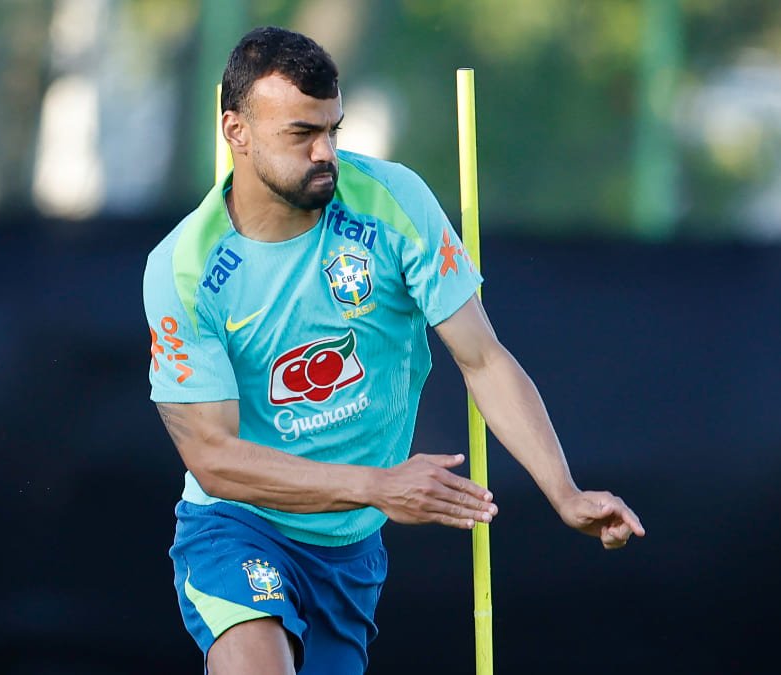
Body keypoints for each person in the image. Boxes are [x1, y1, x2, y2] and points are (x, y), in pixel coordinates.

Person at [142, 26, 644, 675]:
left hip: (350, 552)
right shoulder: (182, 269)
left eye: (333, 129)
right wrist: (378, 486)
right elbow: (214, 459)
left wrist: (566, 492)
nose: (325, 152)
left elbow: (483, 359)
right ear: (236, 131)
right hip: (238, 526)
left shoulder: (393, 200)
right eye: (301, 133)